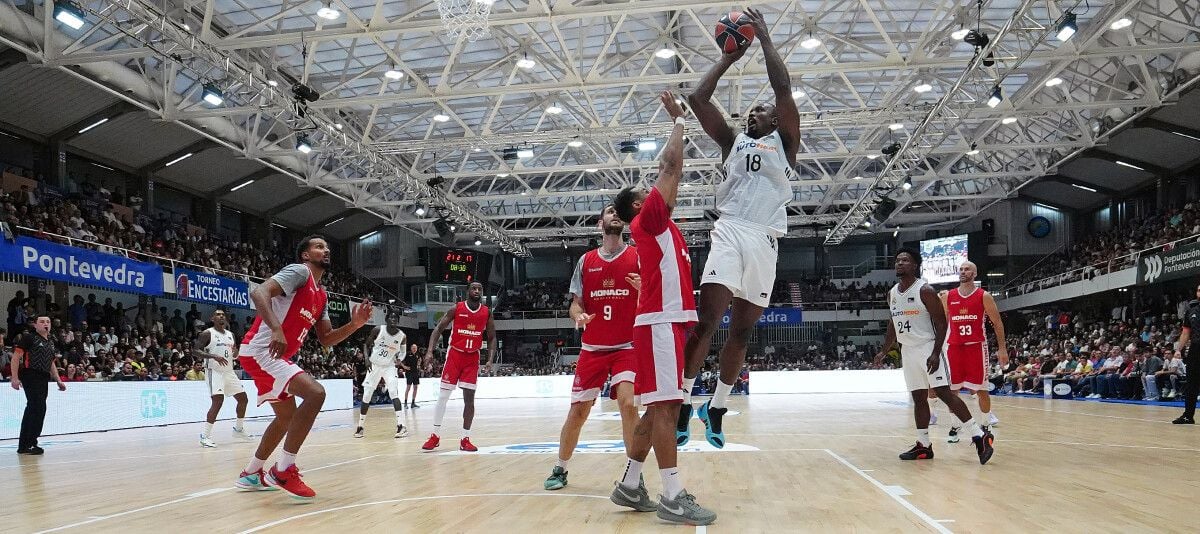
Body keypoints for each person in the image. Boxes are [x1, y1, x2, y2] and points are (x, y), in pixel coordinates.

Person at [679, 6, 800, 449]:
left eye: (762, 110)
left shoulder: (787, 146)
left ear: (776, 120)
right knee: (707, 321)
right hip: (730, 230)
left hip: (767, 240)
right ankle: (683, 403)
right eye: (750, 111)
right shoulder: (733, 141)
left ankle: (718, 407)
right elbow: (698, 99)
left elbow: (783, 88)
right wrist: (729, 57)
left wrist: (765, 38)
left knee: (743, 332)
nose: (755, 113)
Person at [608, 91, 715, 525]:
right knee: (668, 409)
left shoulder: (661, 227)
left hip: (664, 324)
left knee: (657, 411)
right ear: (640, 204)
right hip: (660, 325)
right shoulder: (648, 219)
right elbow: (670, 167)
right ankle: (673, 496)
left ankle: (630, 484)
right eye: (648, 191)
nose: (659, 189)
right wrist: (679, 122)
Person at [234, 235, 373, 500]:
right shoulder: (299, 272)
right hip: (262, 350)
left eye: (328, 247)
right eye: (319, 247)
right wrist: (276, 329)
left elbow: (327, 338)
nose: (326, 250)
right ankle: (283, 469)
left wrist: (354, 325)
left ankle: (251, 473)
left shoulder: (322, 296)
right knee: (315, 393)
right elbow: (258, 291)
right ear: (306, 255)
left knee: (286, 417)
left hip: (272, 356)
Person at [543, 203, 641, 491]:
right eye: (610, 211)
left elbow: (654, 298)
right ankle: (560, 468)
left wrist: (644, 289)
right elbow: (576, 303)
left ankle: (634, 475)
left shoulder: (638, 256)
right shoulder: (586, 261)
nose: (615, 215)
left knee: (627, 404)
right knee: (578, 413)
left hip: (627, 346)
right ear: (600, 223)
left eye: (618, 213)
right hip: (593, 348)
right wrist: (578, 316)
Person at [874, 249, 993, 464]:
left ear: (914, 266)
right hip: (908, 351)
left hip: (928, 347)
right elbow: (893, 322)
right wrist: (884, 349)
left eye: (905, 260)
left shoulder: (925, 290)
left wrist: (937, 352)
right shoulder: (892, 293)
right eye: (897, 260)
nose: (899, 263)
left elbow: (941, 323)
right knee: (919, 398)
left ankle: (979, 436)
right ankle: (924, 445)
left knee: (945, 394)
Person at [421, 281, 495, 452]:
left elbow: (491, 338)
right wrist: (430, 351)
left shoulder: (486, 313)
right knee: (443, 396)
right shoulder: (457, 308)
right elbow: (438, 328)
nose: (477, 291)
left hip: (472, 358)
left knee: (469, 400)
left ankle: (465, 438)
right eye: (474, 288)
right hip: (455, 355)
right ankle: (435, 435)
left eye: (479, 289)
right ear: (467, 291)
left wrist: (489, 360)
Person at [941, 261, 1009, 442]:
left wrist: (1002, 349)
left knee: (981, 390)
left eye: (967, 269)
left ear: (975, 273)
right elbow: (940, 324)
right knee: (952, 391)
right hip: (954, 347)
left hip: (976, 347)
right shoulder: (948, 296)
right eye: (961, 269)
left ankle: (986, 424)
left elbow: (998, 323)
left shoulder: (983, 296)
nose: (963, 271)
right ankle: (955, 426)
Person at [194, 309, 252, 448]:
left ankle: (238, 429)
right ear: (212, 318)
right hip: (214, 371)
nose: (221, 316)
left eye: (223, 315)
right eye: (218, 314)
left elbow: (235, 353)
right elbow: (195, 350)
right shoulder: (207, 333)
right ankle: (205, 436)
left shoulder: (231, 335)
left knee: (243, 399)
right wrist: (213, 356)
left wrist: (237, 353)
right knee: (218, 401)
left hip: (229, 371)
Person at [10, 316, 66, 455]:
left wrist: (58, 379)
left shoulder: (51, 342)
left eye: (48, 321)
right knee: (37, 407)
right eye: (42, 322)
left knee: (35, 408)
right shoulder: (29, 337)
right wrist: (15, 378)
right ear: (35, 325)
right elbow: (16, 357)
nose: (45, 324)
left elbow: (51, 362)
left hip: (43, 377)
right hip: (30, 374)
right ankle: (29, 443)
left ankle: (25, 445)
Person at [354, 311, 409, 439]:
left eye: (396, 317)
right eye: (391, 317)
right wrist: (366, 359)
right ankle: (360, 427)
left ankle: (401, 426)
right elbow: (366, 345)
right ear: (387, 319)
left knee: (394, 393)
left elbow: (403, 352)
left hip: (389, 367)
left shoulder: (402, 336)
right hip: (374, 365)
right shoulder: (378, 330)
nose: (393, 319)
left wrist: (400, 359)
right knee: (367, 395)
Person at [1172, 282, 1200, 424]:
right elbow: (1185, 333)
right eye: (1198, 290)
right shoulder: (1191, 311)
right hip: (1195, 349)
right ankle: (1188, 415)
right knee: (1191, 384)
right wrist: (1178, 349)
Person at [402, 344, 421, 409]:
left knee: (415, 387)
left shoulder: (418, 355)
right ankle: (405, 403)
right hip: (409, 373)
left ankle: (413, 403)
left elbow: (419, 361)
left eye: (415, 348)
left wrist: (419, 365)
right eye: (413, 348)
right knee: (408, 388)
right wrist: (404, 366)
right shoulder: (407, 354)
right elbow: (399, 360)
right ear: (411, 348)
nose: (414, 349)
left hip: (416, 373)